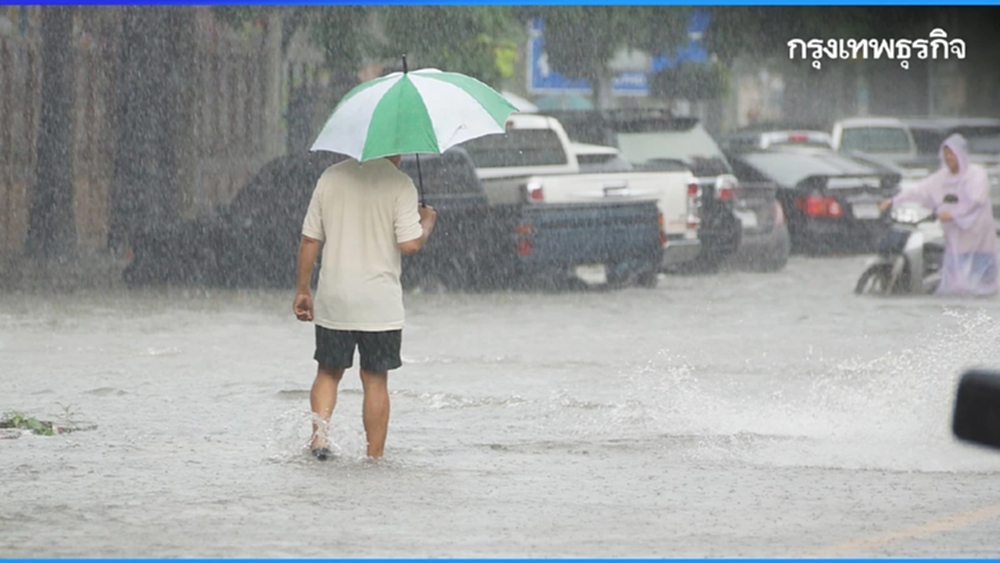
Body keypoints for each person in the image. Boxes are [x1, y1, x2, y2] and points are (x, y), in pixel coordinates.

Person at [293, 155, 436, 460]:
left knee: (328, 372)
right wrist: (427, 222)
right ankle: (374, 457)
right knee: (374, 378)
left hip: (336, 296)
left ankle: (319, 440)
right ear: (395, 148)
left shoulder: (331, 176)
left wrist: (303, 290)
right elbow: (409, 244)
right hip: (379, 303)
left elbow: (309, 239)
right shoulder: (400, 184)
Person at [879, 133, 998, 297]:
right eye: (946, 153)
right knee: (954, 289)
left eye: (953, 153)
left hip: (979, 241)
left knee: (982, 289)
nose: (949, 157)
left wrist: (954, 214)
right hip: (955, 242)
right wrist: (893, 200)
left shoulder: (976, 175)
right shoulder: (941, 178)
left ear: (962, 154)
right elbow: (919, 190)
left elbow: (976, 200)